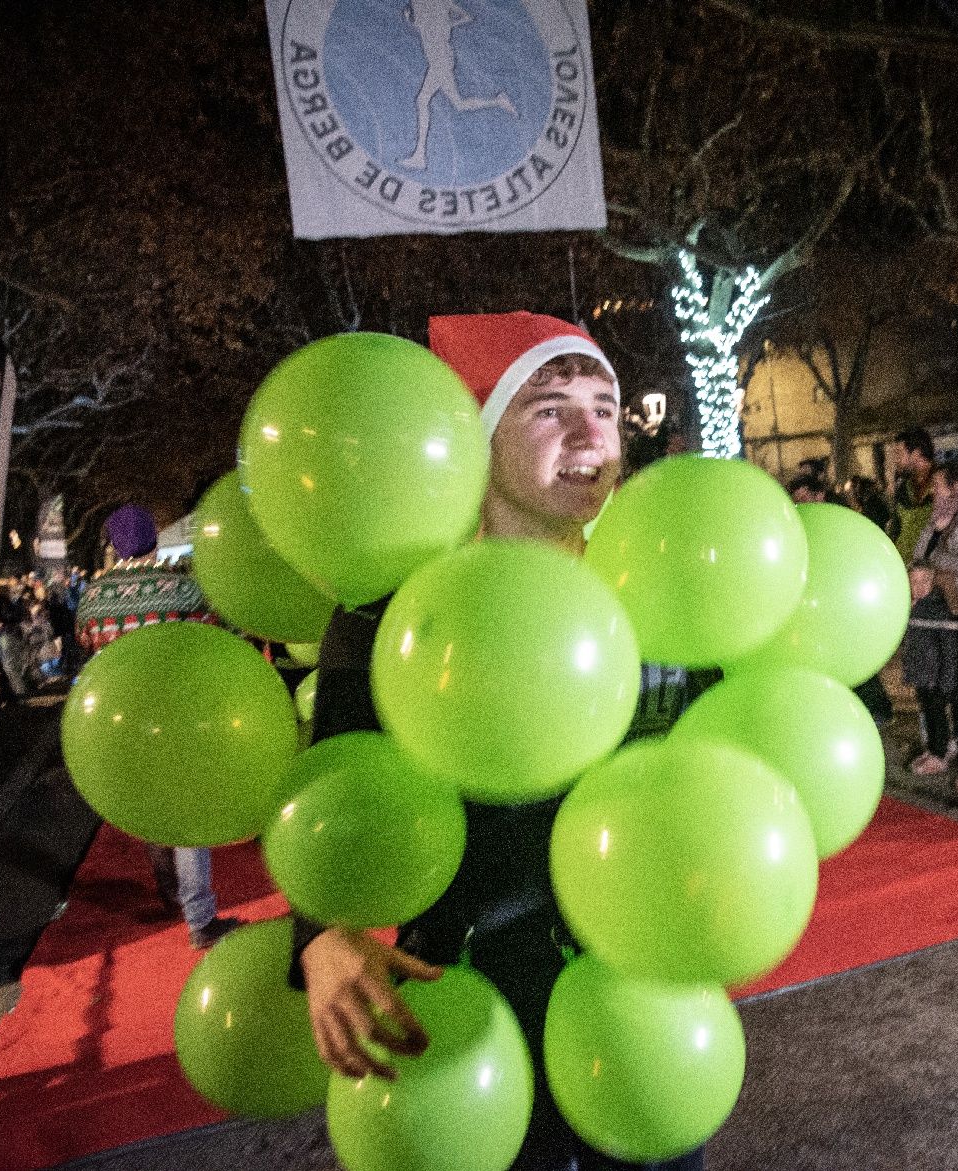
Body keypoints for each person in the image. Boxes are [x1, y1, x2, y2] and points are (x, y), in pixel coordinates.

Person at [294, 311, 705, 1171]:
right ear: (475, 442)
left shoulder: (660, 587)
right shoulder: (388, 616)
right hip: (463, 1008)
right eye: (550, 408)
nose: (595, 432)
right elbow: (339, 796)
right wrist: (321, 938)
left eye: (605, 403)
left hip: (643, 1006)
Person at [75, 506, 237, 950]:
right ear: (154, 540)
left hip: (119, 720)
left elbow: (86, 644)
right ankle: (199, 917)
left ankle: (169, 891)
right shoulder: (183, 590)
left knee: (147, 806)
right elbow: (214, 636)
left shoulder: (93, 597)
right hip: (177, 714)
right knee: (187, 812)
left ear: (113, 544)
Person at [899, 459, 958, 776]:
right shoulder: (938, 517)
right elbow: (919, 555)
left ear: (956, 487)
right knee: (938, 680)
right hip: (938, 604)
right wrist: (934, 535)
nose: (933, 492)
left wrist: (934, 560)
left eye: (938, 486)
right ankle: (945, 742)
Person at [888, 428, 936, 562]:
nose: (896, 460)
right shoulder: (903, 488)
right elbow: (896, 529)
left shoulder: (945, 485)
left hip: (933, 571)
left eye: (899, 453)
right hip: (904, 568)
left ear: (916, 453)